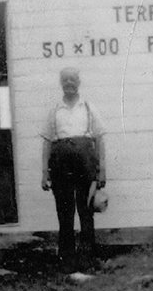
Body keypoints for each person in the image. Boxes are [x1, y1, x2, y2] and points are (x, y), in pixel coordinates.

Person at [41, 67, 107, 268]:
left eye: (72, 79)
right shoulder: (55, 109)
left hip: (85, 162)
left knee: (86, 209)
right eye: (65, 79)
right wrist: (44, 172)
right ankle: (67, 258)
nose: (69, 83)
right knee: (65, 211)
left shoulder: (87, 107)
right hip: (60, 164)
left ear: (78, 82)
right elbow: (47, 142)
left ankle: (87, 257)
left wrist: (102, 169)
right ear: (61, 83)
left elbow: (100, 139)